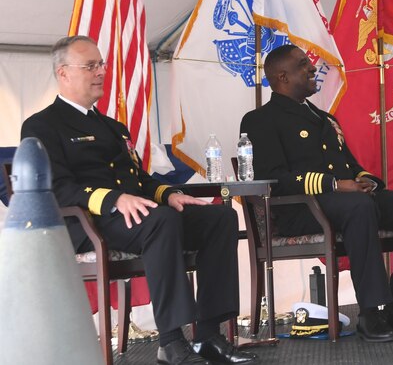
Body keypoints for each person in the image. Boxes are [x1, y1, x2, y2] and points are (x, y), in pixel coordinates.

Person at [21, 36, 257, 365]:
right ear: (63, 73)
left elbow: (139, 179)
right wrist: (115, 199)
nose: (101, 72)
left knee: (220, 218)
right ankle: (172, 341)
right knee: (162, 221)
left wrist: (170, 193)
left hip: (138, 219)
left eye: (101, 64)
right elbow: (57, 188)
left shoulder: (111, 127)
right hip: (90, 222)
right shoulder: (42, 125)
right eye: (90, 66)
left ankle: (208, 335)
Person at [240, 44, 393, 342]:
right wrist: (333, 185)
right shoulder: (259, 120)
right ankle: (372, 312)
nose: (311, 68)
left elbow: (350, 165)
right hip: (301, 210)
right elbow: (274, 179)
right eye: (302, 64)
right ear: (282, 76)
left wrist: (365, 180)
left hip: (348, 201)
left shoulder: (324, 118)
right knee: (359, 207)